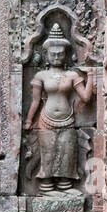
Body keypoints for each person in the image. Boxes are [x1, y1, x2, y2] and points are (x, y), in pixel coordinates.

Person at [24, 23, 94, 192]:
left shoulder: (72, 75)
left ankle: (65, 185)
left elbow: (86, 97)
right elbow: (35, 101)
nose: (56, 56)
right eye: (52, 53)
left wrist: (91, 76)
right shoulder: (41, 75)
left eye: (60, 53)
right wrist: (28, 120)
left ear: (66, 54)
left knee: (67, 154)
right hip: (46, 120)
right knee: (48, 154)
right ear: (46, 55)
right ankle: (46, 186)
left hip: (68, 120)